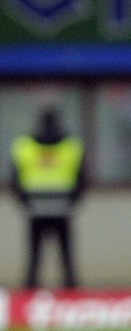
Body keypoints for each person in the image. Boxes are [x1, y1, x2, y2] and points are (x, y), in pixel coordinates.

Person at [10, 108, 84, 289]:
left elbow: (14, 179)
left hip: (35, 206)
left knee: (34, 257)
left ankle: (29, 293)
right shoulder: (71, 145)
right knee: (66, 257)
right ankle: (71, 293)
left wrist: (25, 202)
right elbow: (82, 179)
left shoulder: (24, 145)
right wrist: (72, 202)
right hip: (63, 206)